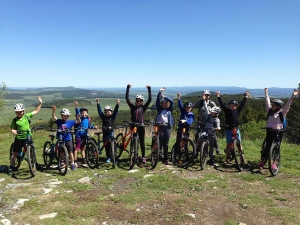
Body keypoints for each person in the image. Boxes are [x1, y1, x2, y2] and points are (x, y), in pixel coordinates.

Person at [258, 88, 300, 169]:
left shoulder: (282, 113)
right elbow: (267, 102)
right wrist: (266, 93)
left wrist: (292, 96)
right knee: (267, 147)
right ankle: (262, 161)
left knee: (276, 148)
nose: (272, 106)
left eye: (273, 105)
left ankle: (274, 163)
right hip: (270, 131)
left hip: (278, 132)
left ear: (278, 106)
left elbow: (288, 104)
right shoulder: (270, 111)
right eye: (272, 104)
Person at [9, 96, 43, 174]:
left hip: (28, 137)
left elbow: (36, 111)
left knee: (32, 152)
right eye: (17, 111)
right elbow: (12, 129)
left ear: (23, 111)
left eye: (20, 111)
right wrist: (13, 131)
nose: (19, 112)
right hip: (19, 138)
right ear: (15, 112)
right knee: (14, 153)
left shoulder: (27, 116)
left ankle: (34, 164)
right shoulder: (14, 120)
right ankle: (11, 167)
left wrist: (40, 103)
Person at [216, 90, 250, 163]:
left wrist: (246, 97)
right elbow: (222, 105)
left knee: (239, 143)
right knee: (228, 144)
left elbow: (242, 104)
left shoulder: (237, 111)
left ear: (236, 106)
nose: (232, 106)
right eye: (231, 105)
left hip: (236, 129)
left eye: (234, 106)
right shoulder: (227, 111)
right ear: (229, 106)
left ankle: (242, 158)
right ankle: (227, 157)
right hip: (228, 129)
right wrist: (218, 96)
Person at [125, 84, 152, 163]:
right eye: (137, 100)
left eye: (140, 101)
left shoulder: (143, 108)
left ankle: (143, 157)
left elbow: (150, 100)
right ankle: (135, 156)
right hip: (133, 127)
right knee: (133, 142)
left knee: (142, 142)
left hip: (141, 127)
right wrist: (128, 88)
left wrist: (149, 89)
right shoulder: (132, 107)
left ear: (142, 102)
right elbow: (127, 98)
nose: (138, 102)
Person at [52, 106, 81, 171]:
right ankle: (62, 161)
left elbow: (78, 122)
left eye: (67, 116)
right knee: (61, 151)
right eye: (65, 115)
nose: (66, 117)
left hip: (68, 139)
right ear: (62, 115)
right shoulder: (59, 121)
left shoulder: (70, 122)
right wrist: (53, 111)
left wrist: (79, 117)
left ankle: (72, 163)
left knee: (70, 151)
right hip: (61, 139)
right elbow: (54, 118)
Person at [96, 98, 119, 163]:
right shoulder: (104, 118)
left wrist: (117, 104)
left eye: (109, 111)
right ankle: (108, 157)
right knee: (106, 146)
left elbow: (116, 111)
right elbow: (100, 112)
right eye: (106, 112)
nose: (107, 113)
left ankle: (114, 157)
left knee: (113, 146)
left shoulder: (113, 117)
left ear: (111, 112)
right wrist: (98, 103)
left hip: (111, 134)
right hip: (105, 134)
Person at [74, 101, 97, 167]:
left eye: (85, 113)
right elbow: (77, 113)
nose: (83, 114)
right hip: (79, 135)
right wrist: (76, 107)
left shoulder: (88, 119)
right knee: (77, 148)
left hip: (84, 135)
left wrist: (93, 127)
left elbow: (89, 125)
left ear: (87, 113)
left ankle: (84, 159)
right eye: (82, 113)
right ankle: (75, 161)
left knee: (82, 148)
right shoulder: (79, 118)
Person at [155, 87, 174, 165]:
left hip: (167, 127)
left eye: (166, 103)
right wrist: (159, 93)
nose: (164, 105)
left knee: (165, 143)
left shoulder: (170, 110)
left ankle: (166, 158)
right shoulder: (159, 109)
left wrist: (165, 97)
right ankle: (159, 155)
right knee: (159, 141)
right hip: (159, 126)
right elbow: (157, 102)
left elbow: (172, 101)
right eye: (163, 103)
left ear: (168, 104)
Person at [201, 93, 221, 166]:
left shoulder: (217, 120)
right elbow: (206, 107)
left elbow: (218, 126)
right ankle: (200, 151)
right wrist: (204, 100)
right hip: (205, 130)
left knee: (211, 147)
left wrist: (217, 128)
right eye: (211, 112)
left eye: (213, 113)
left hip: (212, 132)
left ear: (216, 114)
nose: (211, 113)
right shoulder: (208, 115)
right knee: (201, 138)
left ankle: (211, 159)